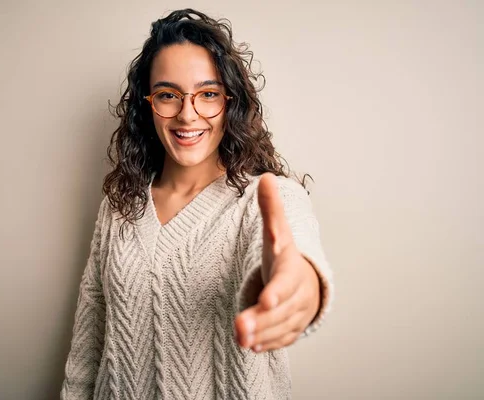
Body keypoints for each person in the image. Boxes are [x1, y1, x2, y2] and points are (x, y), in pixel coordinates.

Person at [60, 8, 333, 400]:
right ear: (147, 103)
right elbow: (89, 346)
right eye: (169, 95)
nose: (187, 115)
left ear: (231, 102)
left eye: (208, 94)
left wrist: (297, 289)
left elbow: (297, 257)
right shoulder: (118, 205)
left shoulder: (268, 198)